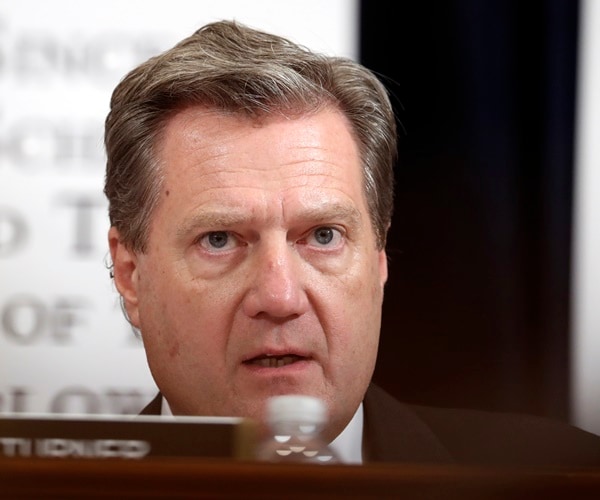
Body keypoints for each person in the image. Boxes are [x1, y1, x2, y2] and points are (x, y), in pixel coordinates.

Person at [104, 20, 600, 465]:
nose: (280, 298)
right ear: (131, 273)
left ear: (379, 258)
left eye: (323, 236)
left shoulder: (564, 478)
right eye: (219, 240)